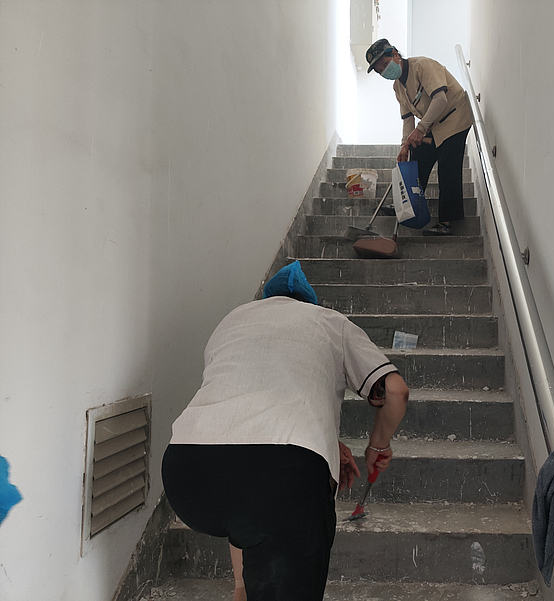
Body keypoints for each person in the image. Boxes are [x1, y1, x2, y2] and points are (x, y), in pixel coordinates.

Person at [161, 261, 409, 601]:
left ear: (266, 299)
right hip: (283, 478)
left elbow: (244, 417)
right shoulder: (328, 321)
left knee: (250, 511)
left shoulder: (233, 321)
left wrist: (325, 441)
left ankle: (241, 588)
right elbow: (395, 391)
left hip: (188, 473)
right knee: (265, 500)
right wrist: (378, 447)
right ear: (309, 303)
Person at [366, 38, 474, 236]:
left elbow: (440, 99)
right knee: (417, 154)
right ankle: (409, 203)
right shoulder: (398, 87)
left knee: (448, 166)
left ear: (395, 54)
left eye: (385, 64)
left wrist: (421, 129)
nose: (384, 71)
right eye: (380, 71)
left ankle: (446, 223)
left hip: (455, 117)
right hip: (434, 124)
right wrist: (404, 146)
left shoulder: (422, 66)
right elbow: (407, 119)